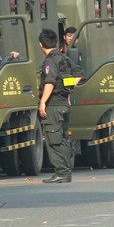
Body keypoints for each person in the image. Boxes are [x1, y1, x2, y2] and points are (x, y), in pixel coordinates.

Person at [37, 28, 74, 183]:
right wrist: (68, 97)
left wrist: (42, 102)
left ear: (41, 45)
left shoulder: (50, 61)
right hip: (64, 103)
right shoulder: (64, 59)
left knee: (54, 140)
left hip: (54, 105)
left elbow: (50, 82)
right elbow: (70, 80)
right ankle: (66, 172)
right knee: (63, 139)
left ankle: (61, 172)